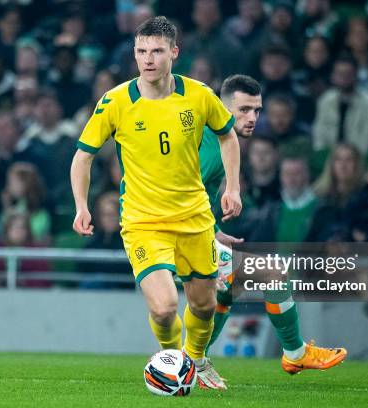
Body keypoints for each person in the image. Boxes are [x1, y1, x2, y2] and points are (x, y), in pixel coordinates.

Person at [70, 17, 241, 390]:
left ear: (174, 53)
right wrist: (82, 206)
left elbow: (228, 136)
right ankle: (173, 361)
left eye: (157, 51)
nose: (148, 59)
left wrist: (233, 187)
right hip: (143, 222)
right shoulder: (116, 101)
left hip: (194, 217)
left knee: (204, 306)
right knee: (164, 308)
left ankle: (196, 360)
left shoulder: (198, 95)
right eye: (141, 51)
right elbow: (83, 156)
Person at [200, 75, 346, 380]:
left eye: (256, 110)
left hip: (195, 232)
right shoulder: (212, 147)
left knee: (252, 280)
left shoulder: (224, 143)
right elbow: (180, 195)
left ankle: (294, 354)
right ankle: (192, 361)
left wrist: (213, 229)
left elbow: (193, 195)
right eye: (243, 110)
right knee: (228, 286)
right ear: (223, 109)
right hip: (174, 236)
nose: (252, 118)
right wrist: (208, 234)